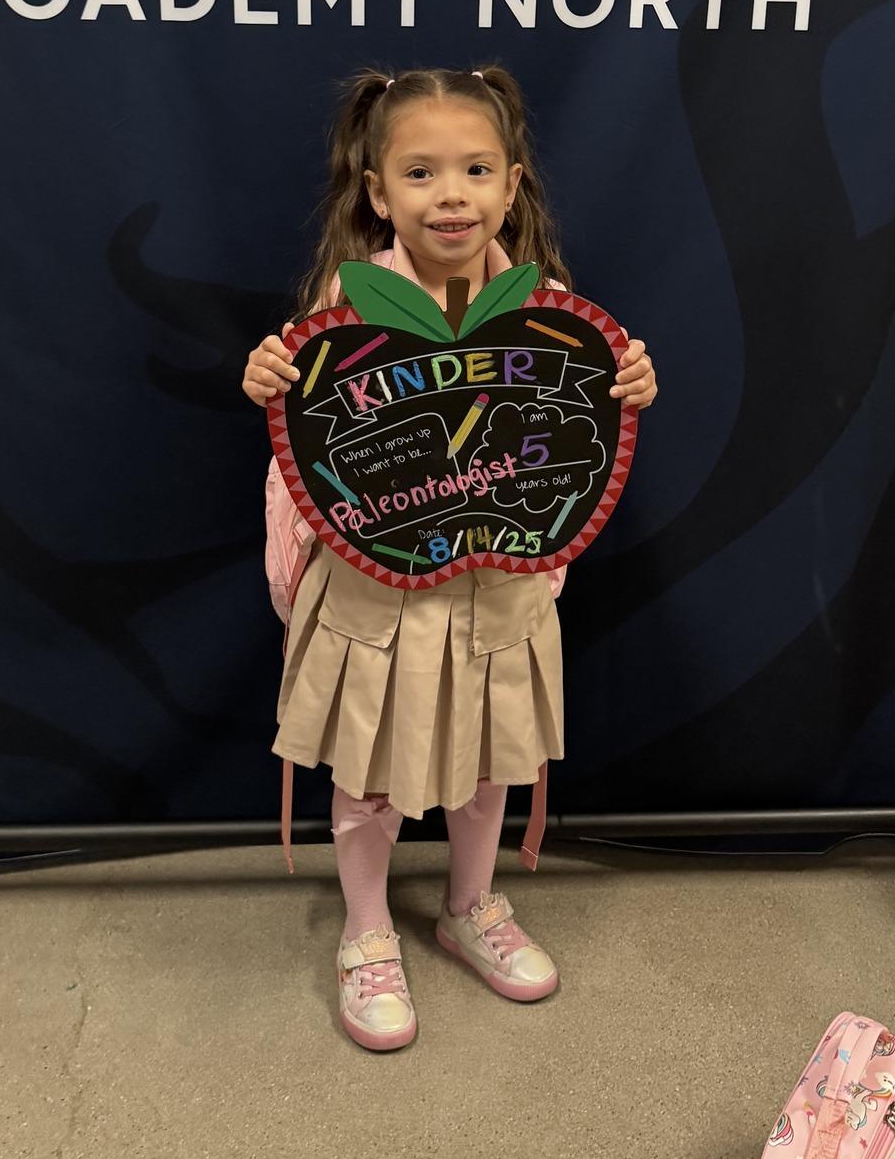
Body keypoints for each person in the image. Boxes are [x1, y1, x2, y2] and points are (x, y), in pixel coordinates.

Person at [243, 65, 657, 1050]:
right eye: (421, 172)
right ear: (378, 191)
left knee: (490, 752)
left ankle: (471, 902)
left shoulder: (551, 309)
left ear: (512, 185)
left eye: (475, 168)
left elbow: (573, 439)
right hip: (377, 589)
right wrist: (269, 377)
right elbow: (309, 442)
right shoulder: (345, 308)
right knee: (368, 759)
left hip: (498, 584)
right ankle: (366, 926)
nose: (452, 192)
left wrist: (624, 380)